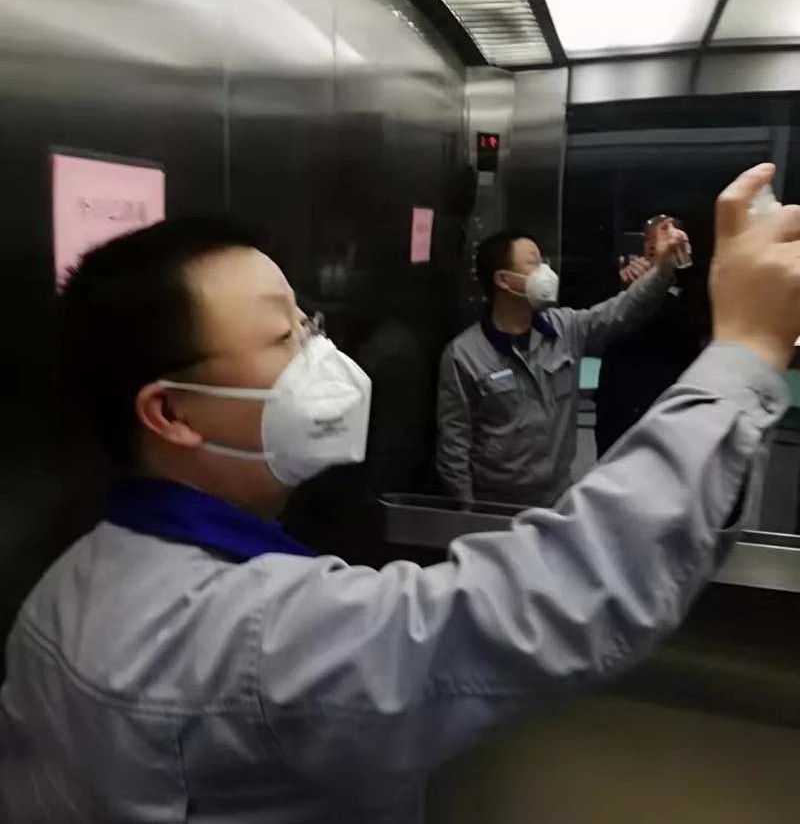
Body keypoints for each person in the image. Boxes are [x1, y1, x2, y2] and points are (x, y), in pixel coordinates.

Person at [1, 164, 797, 824]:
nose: (320, 354)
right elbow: (563, 592)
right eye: (283, 337)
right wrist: (746, 352)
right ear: (171, 413)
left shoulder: (58, 596)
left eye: (309, 322)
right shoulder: (254, 638)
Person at [436, 217, 689, 506]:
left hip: (556, 500)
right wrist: (466, 513)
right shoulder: (464, 355)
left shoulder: (564, 329)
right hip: (493, 504)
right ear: (504, 280)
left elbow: (623, 311)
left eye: (543, 262)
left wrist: (663, 269)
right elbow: (454, 447)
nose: (545, 272)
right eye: (533, 264)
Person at [595, 215, 711, 458]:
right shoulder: (625, 279)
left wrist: (669, 277)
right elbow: (601, 328)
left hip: (669, 404)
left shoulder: (695, 287)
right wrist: (629, 291)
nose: (654, 244)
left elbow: (695, 330)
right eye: (649, 238)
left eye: (667, 236)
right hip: (620, 403)